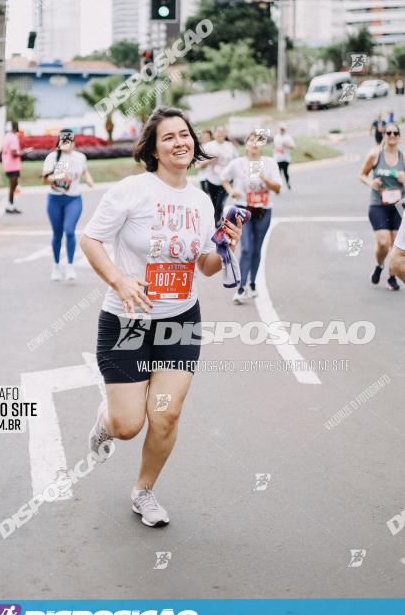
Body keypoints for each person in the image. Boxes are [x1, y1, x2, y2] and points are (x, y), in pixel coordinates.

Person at [80, 107, 243, 527]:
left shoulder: (202, 201)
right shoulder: (131, 191)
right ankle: (106, 420)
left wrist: (225, 248)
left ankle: (144, 491)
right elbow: (91, 238)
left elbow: (205, 265)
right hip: (127, 320)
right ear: (153, 148)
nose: (179, 142)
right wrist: (119, 282)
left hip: (179, 321)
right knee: (129, 424)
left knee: (166, 413)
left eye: (184, 134)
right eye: (168, 136)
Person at [221, 131, 282, 303]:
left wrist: (264, 178)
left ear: (262, 146)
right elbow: (224, 178)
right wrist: (231, 191)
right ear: (246, 144)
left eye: (258, 141)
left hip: (263, 211)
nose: (255, 144)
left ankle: (252, 283)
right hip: (243, 211)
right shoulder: (237, 163)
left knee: (256, 249)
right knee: (246, 248)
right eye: (251, 140)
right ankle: (240, 288)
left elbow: (277, 188)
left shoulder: (270, 164)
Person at [42, 130, 94, 281]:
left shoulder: (80, 157)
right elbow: (44, 180)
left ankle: (70, 265)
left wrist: (89, 180)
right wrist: (58, 176)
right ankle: (56, 265)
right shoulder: (52, 157)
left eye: (69, 141)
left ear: (74, 142)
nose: (67, 144)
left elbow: (84, 171)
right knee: (57, 233)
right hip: (55, 199)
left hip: (74, 199)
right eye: (63, 141)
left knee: (69, 230)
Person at [359, 124, 404, 291]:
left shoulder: (403, 158)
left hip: (398, 206)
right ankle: (379, 266)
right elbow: (362, 174)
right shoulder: (375, 155)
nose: (392, 135)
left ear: (399, 137)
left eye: (395, 133)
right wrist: (371, 182)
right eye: (388, 132)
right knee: (384, 243)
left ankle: (392, 277)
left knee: (395, 245)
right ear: (384, 135)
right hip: (378, 204)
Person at [197, 125, 236, 225]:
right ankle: (216, 221)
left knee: (219, 203)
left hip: (226, 181)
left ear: (225, 133)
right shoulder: (208, 146)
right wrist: (211, 160)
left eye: (223, 132)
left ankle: (216, 223)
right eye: (218, 132)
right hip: (212, 179)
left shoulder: (230, 146)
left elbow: (236, 162)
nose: (220, 134)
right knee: (214, 204)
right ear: (214, 134)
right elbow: (199, 165)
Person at [1, 120, 23, 214]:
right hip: (13, 165)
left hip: (7, 164)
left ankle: (11, 205)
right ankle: (10, 206)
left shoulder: (6, 137)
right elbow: (14, 153)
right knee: (12, 186)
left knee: (13, 186)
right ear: (15, 127)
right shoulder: (13, 137)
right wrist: (22, 153)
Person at [273, 124, 295, 190]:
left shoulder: (288, 137)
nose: (281, 131)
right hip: (278, 158)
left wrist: (287, 144)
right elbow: (274, 146)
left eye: (283, 129)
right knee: (278, 172)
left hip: (285, 158)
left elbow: (293, 146)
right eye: (280, 129)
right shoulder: (276, 137)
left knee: (285, 172)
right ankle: (279, 186)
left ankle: (288, 183)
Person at [195, 129, 213, 197]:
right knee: (204, 195)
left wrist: (203, 164)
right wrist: (197, 165)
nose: (205, 137)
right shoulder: (199, 147)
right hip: (202, 176)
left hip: (211, 175)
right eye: (204, 136)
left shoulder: (212, 146)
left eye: (207, 136)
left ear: (210, 137)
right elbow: (196, 161)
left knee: (212, 195)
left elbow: (213, 158)